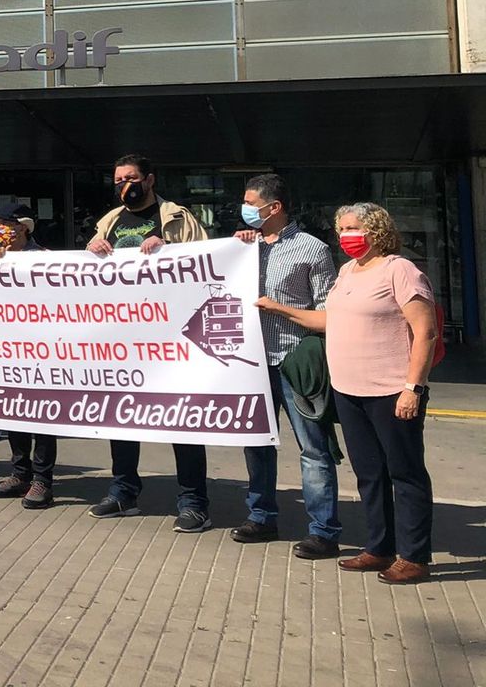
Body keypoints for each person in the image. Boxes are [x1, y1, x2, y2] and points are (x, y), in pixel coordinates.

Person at [258, 202, 437, 585]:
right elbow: (329, 320)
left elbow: (425, 332)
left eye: (352, 228)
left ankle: (415, 555)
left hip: (392, 390)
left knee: (404, 474)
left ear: (376, 229)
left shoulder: (400, 270)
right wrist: (276, 309)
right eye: (340, 229)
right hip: (348, 391)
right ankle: (379, 547)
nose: (344, 236)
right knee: (369, 473)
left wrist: (413, 388)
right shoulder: (347, 271)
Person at [86, 154, 212, 530]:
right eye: (118, 179)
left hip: (172, 341)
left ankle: (193, 502)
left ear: (150, 179)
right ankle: (123, 492)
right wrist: (92, 248)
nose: (125, 184)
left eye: (132, 177)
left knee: (182, 419)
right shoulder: (109, 221)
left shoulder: (177, 218)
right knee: (121, 418)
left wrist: (170, 248)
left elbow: (205, 263)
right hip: (122, 340)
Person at [229, 174, 341, 559]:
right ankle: (260, 516)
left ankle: (323, 530)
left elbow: (328, 313)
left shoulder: (312, 250)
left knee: (313, 449)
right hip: (251, 363)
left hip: (294, 363)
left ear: (273, 207)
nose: (244, 210)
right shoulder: (245, 248)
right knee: (256, 444)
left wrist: (278, 309)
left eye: (250, 203)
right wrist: (237, 247)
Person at [0, 205, 57, 508]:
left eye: (8, 223)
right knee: (14, 411)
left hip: (40, 350)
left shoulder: (43, 257)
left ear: (24, 228)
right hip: (9, 351)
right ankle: (20, 473)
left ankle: (42, 479)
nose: (2, 228)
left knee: (41, 417)